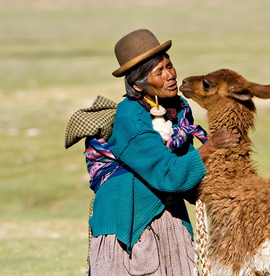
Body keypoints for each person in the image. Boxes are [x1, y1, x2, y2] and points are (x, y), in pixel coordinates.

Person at [82, 29, 240, 275]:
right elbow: (168, 173)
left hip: (168, 213)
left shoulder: (178, 109)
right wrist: (210, 148)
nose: (171, 75)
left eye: (170, 65)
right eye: (159, 72)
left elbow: (187, 170)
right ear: (138, 84)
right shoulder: (131, 119)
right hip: (130, 221)